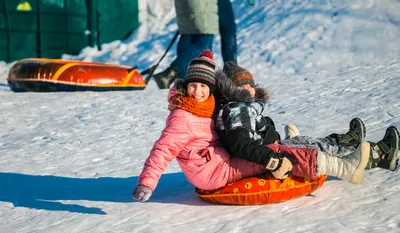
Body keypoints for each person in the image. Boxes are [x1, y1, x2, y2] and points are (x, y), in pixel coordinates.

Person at [131, 50, 399, 202]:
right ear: (185, 87)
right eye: (194, 86)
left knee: (293, 146)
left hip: (218, 161)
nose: (199, 92)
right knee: (290, 153)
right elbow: (163, 149)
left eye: (204, 86)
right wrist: (147, 183)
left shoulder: (205, 107)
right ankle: (353, 164)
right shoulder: (185, 115)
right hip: (213, 171)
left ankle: (354, 146)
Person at [214, 61, 399, 180]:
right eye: (242, 87)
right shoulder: (237, 109)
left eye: (250, 86)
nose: (249, 90)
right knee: (313, 149)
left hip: (271, 148)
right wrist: (270, 158)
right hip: (266, 155)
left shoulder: (243, 107)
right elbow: (241, 143)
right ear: (232, 90)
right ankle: (380, 155)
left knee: (310, 143)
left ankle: (345, 142)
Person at [153, 0, 219, 89]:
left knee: (189, 38)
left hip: (187, 6)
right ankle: (170, 73)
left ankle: (187, 81)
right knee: (203, 42)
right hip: (202, 7)